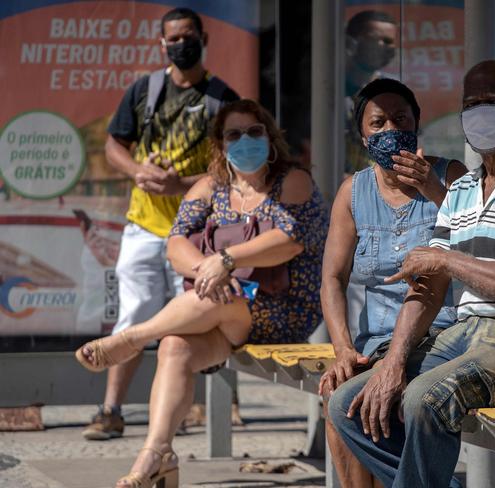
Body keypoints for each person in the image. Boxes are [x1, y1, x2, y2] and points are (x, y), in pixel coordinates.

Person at [328, 60, 495, 488]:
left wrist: (447, 260)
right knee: (346, 404)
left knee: (424, 399)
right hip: (469, 333)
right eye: (472, 104)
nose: (482, 112)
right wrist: (392, 362)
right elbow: (428, 289)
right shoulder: (463, 189)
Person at [75, 98, 328, 487]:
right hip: (222, 309)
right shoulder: (210, 187)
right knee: (174, 346)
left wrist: (225, 258)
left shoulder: (291, 180)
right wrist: (207, 268)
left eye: (254, 132)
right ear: (220, 145)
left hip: (281, 311)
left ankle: (133, 337)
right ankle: (155, 455)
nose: (245, 141)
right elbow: (175, 244)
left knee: (217, 297)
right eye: (234, 135)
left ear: (270, 136)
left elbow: (290, 240)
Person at [81, 7, 240, 441]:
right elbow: (115, 144)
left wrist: (180, 184)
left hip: (200, 236)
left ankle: (208, 413)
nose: (180, 44)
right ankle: (111, 409)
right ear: (161, 43)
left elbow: (233, 166)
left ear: (202, 37)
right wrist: (137, 171)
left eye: (188, 36)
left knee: (202, 319)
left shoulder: (224, 99)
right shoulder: (145, 89)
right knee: (134, 316)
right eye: (172, 38)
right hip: (145, 228)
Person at [318, 78, 465, 487]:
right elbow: (332, 276)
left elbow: (479, 243)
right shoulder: (353, 191)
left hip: (440, 336)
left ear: (416, 124)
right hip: (374, 343)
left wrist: (433, 190)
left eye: (400, 120)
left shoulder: (451, 175)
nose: (389, 131)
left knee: (365, 405)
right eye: (377, 123)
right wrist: (343, 349)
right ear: (362, 136)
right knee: (337, 393)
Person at [345, 10, 398, 175]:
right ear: (351, 43)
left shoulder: (393, 92)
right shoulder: (329, 91)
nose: (388, 48)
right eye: (378, 40)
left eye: (391, 42)